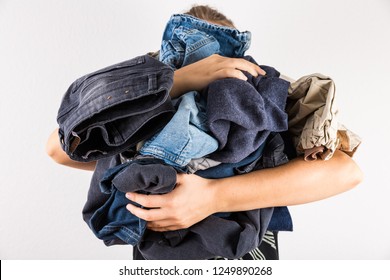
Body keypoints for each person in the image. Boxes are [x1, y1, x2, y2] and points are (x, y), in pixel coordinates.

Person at [46, 5, 363, 259]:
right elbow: (59, 147)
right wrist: (174, 83)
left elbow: (346, 172)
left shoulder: (259, 88)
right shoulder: (138, 97)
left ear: (234, 60)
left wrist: (212, 198)